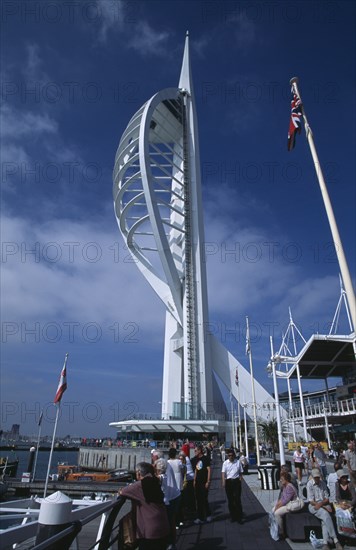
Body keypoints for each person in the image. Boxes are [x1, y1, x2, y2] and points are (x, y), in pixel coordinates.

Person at [119, 461, 170, 550]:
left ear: (139, 473)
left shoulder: (140, 485)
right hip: (163, 524)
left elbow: (123, 491)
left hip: (150, 531)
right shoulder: (155, 480)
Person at [307, 468, 342, 550]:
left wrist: (323, 504)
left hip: (323, 504)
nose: (317, 479)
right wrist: (322, 506)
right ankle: (335, 540)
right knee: (325, 514)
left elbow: (327, 498)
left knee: (324, 520)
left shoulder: (323, 483)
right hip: (314, 505)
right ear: (312, 477)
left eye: (318, 477)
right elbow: (311, 501)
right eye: (315, 477)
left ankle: (325, 543)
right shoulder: (309, 484)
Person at [154, 458, 181, 550]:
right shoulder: (164, 475)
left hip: (165, 504)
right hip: (170, 500)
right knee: (171, 522)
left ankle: (169, 543)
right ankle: (172, 543)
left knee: (165, 524)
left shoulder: (160, 477)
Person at [273, 472, 299, 538]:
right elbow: (282, 498)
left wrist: (277, 508)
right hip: (287, 504)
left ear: (286, 479)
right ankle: (277, 528)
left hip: (292, 505)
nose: (280, 480)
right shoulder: (285, 486)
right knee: (273, 509)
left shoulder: (289, 487)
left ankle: (282, 532)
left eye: (282, 479)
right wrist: (276, 506)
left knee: (277, 513)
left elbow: (285, 501)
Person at [221, 448, 244, 523]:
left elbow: (241, 472)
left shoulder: (238, 462)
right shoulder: (225, 463)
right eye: (229, 455)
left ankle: (239, 517)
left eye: (231, 455)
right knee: (230, 500)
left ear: (234, 455)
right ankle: (233, 516)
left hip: (236, 482)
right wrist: (223, 482)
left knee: (237, 499)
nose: (230, 457)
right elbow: (223, 473)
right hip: (228, 482)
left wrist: (240, 479)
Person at [191, 444, 212, 524]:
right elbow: (196, 470)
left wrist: (208, 481)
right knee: (198, 500)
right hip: (198, 482)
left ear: (200, 451)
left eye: (196, 450)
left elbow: (209, 470)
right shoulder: (195, 459)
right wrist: (194, 480)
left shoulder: (205, 459)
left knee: (204, 499)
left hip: (204, 481)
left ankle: (208, 515)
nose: (194, 452)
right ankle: (200, 517)